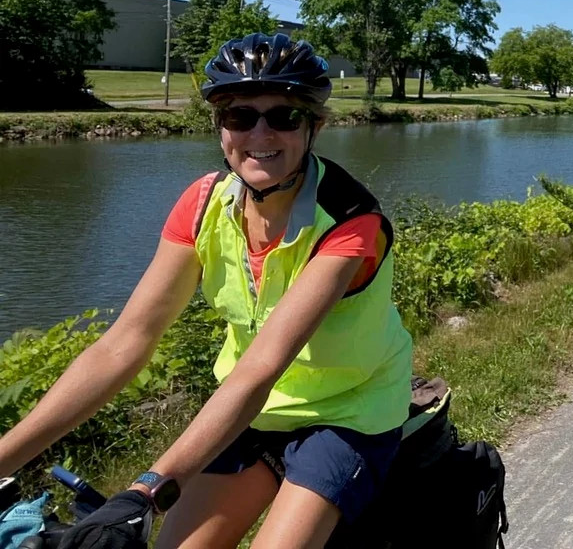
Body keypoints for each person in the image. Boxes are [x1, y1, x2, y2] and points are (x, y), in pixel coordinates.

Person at [0, 33, 413, 549]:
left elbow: (264, 366)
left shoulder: (351, 222)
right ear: (220, 129)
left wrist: (147, 490)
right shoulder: (202, 206)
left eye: (284, 116)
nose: (260, 133)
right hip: (249, 412)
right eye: (240, 116)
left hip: (348, 411)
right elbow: (124, 343)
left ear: (314, 127)